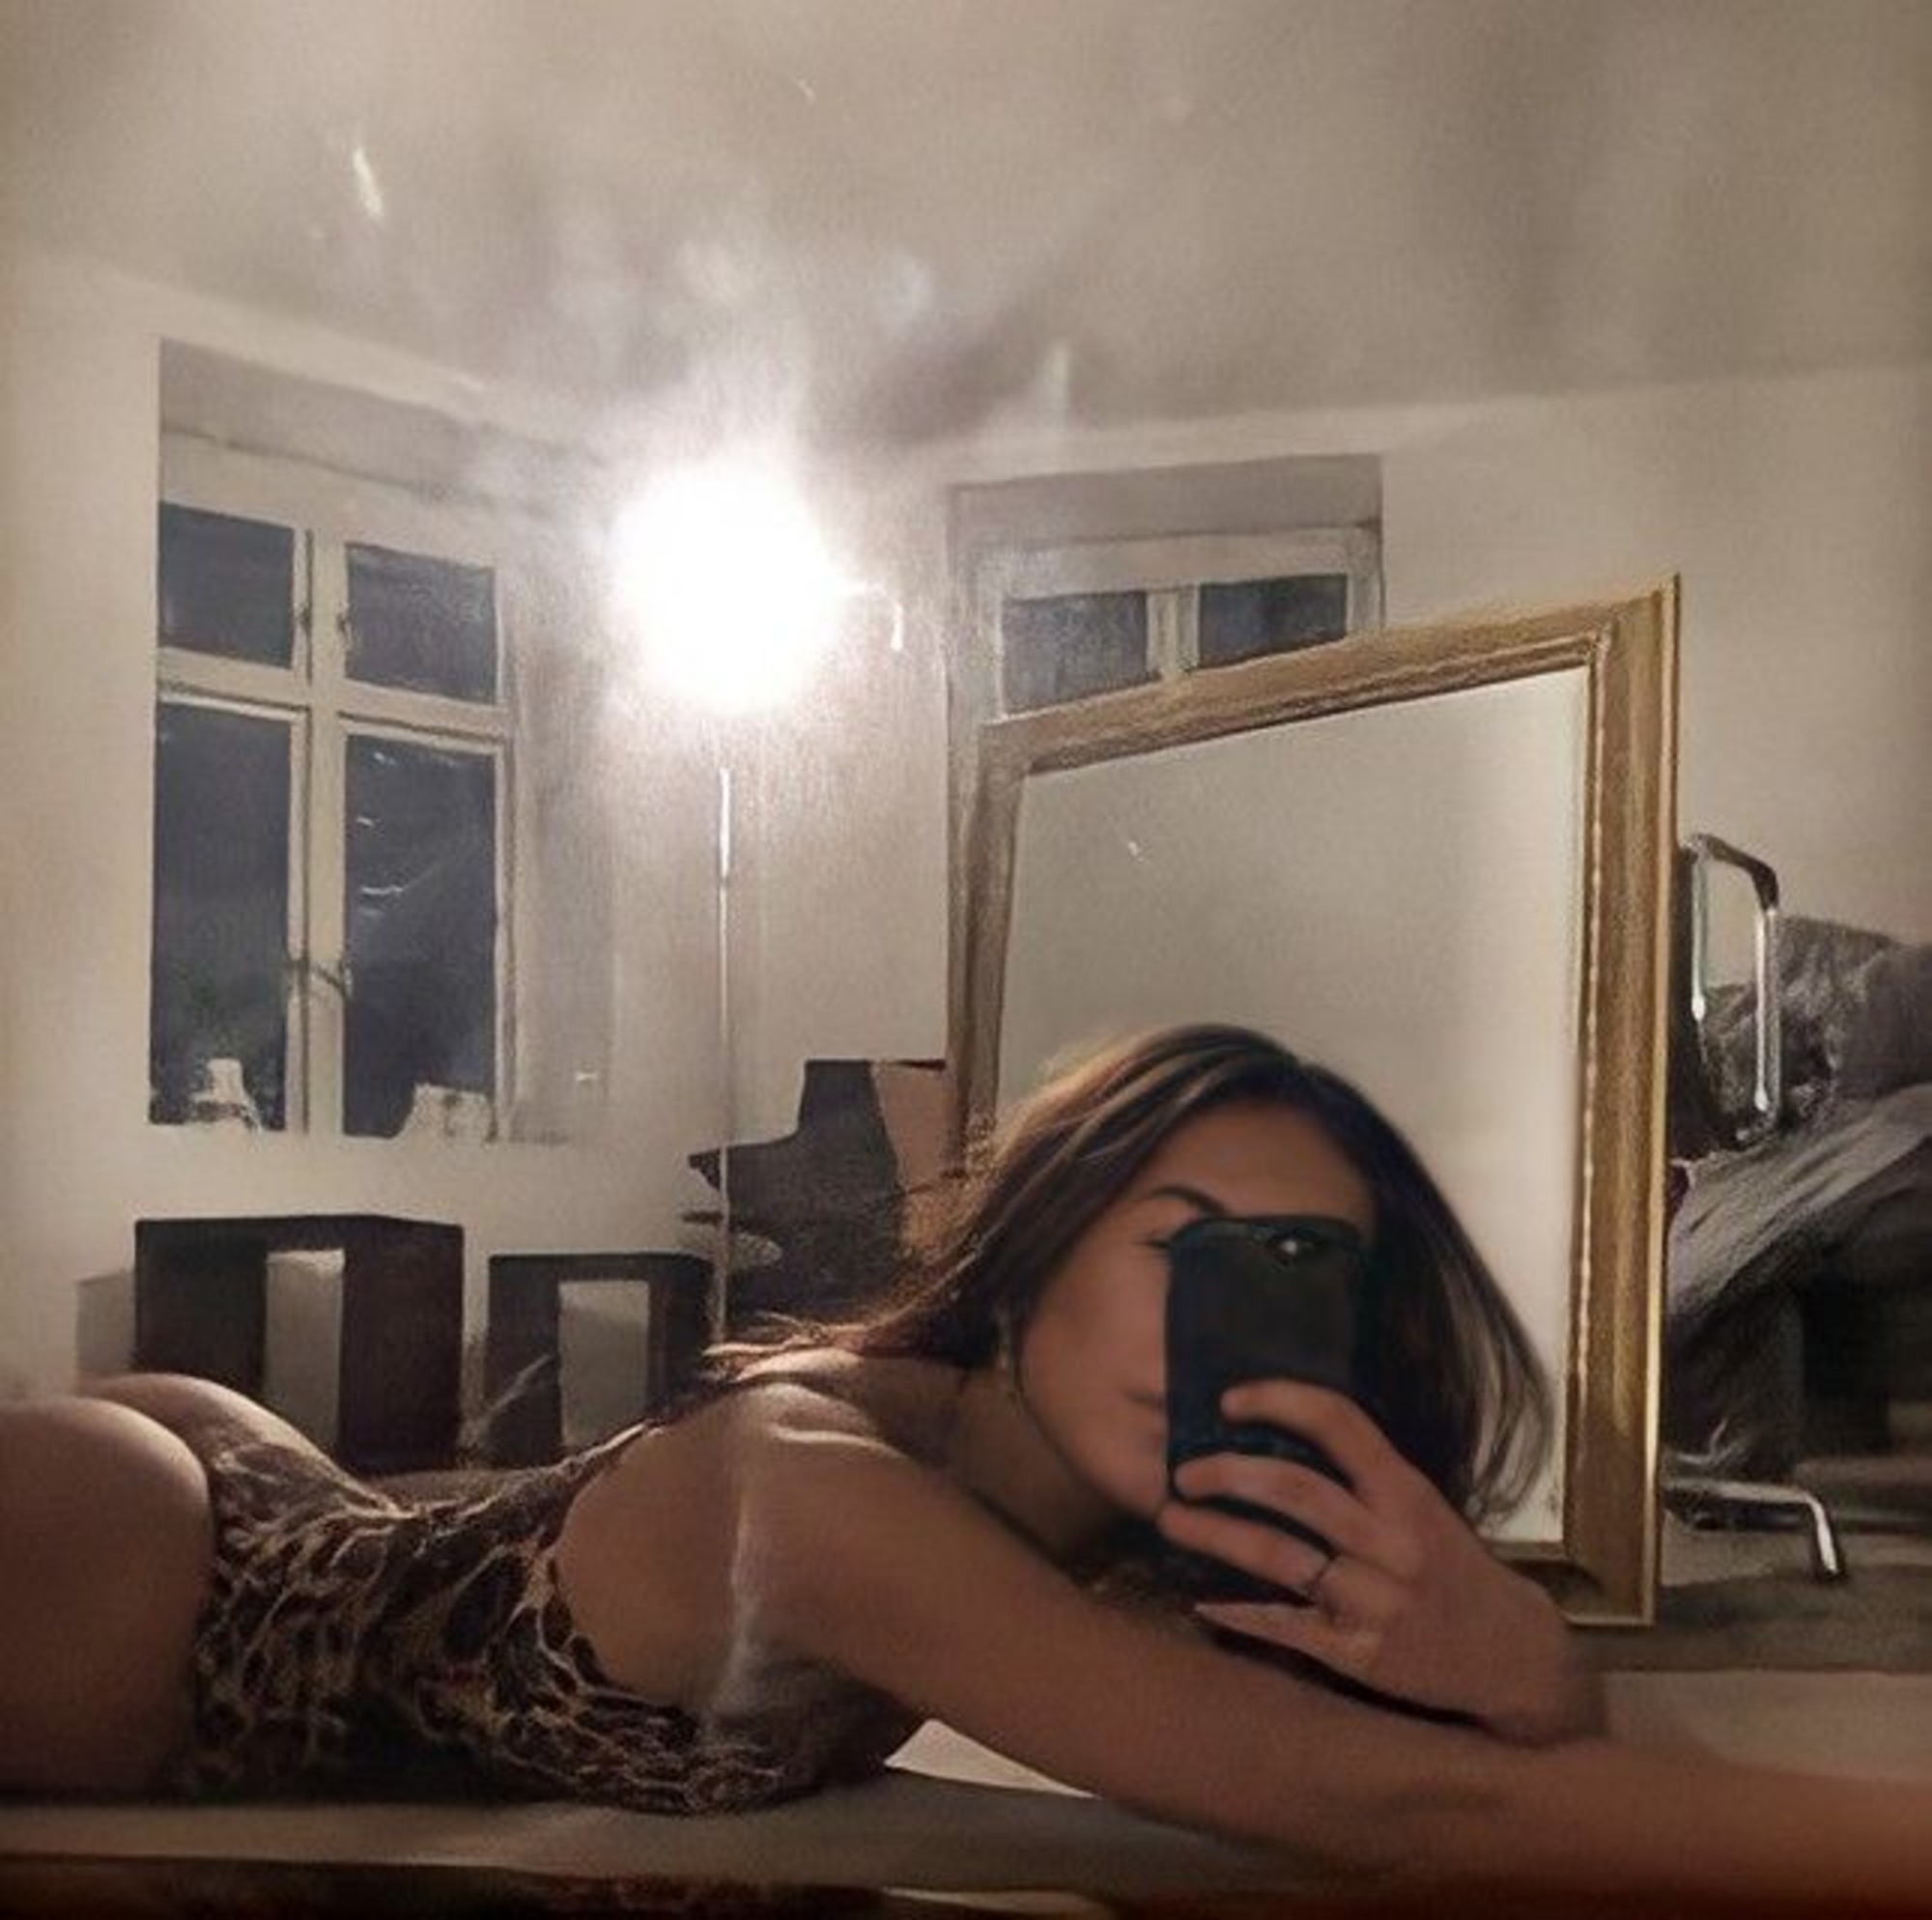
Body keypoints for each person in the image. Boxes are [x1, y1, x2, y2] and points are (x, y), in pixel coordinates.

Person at [4, 1023, 1931, 1905]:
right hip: (151, 1590)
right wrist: (1543, 1703)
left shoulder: (1106, 1536)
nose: (1231, 1323)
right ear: (1032, 1261)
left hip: (284, 1494)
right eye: (1178, 1248)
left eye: (1296, 1277)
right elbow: (1400, 1812)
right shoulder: (824, 1495)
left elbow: (1455, 1794)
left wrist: (1525, 1672)